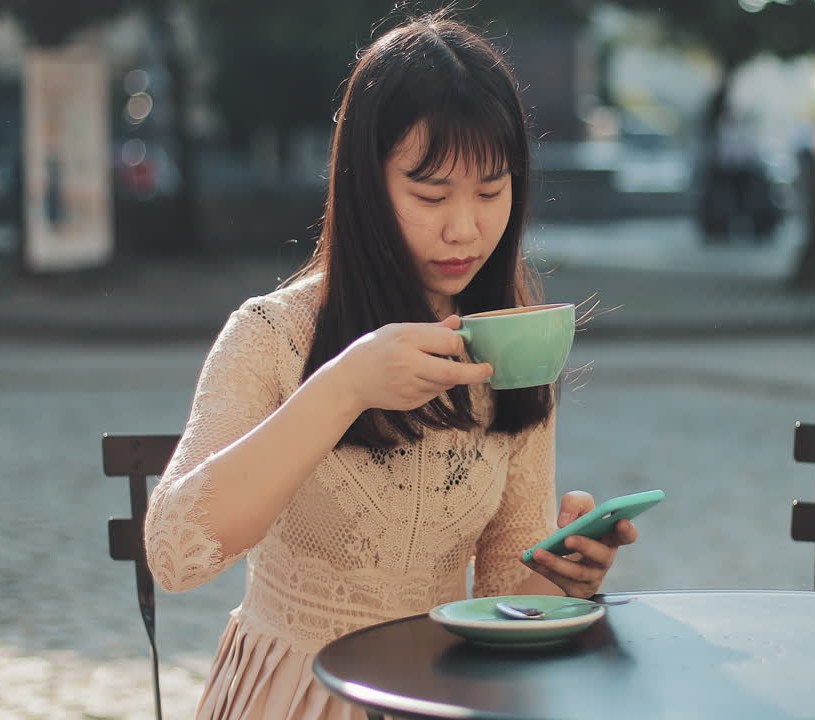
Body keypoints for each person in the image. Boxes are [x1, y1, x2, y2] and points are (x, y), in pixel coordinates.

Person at [144, 13, 640, 720]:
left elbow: (504, 591)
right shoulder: (272, 334)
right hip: (297, 691)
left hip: (439, 692)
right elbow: (176, 556)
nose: (464, 227)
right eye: (431, 194)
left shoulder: (509, 345)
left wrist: (568, 579)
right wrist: (342, 387)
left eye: (491, 191)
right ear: (365, 186)